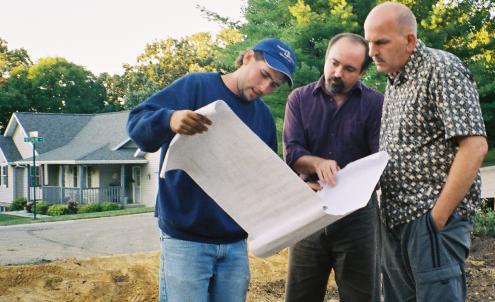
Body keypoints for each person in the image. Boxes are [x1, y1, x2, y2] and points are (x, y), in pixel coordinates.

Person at [127, 38, 297, 302]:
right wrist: (170, 119)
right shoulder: (196, 86)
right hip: (186, 239)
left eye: (274, 85)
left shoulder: (262, 117)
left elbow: (263, 178)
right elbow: (137, 123)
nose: (265, 87)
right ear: (249, 57)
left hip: (234, 244)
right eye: (264, 75)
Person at [364, 2, 488, 301]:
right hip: (395, 220)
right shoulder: (394, 81)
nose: (372, 52)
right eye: (369, 42)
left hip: (429, 221)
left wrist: (438, 217)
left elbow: (474, 145)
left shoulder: (441, 68)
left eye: (381, 42)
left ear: (409, 41)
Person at [283, 33, 383, 302]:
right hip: (309, 209)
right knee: (300, 296)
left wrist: (347, 182)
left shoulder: (376, 104)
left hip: (358, 216)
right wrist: (317, 162)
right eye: (333, 63)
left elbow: (379, 161)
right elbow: (291, 152)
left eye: (349, 69)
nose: (337, 73)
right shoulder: (299, 99)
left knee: (361, 297)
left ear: (361, 72)